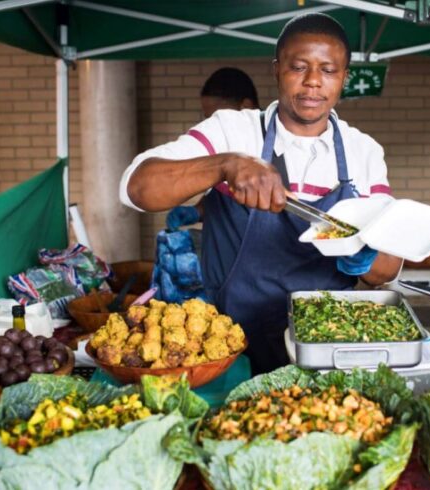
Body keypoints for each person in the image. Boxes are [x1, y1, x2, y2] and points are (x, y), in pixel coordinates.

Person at [120, 13, 402, 374]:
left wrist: (366, 254)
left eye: (328, 70)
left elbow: (388, 269)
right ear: (276, 69)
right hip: (232, 347)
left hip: (326, 349)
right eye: (299, 67)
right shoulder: (233, 131)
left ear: (345, 77)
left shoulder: (363, 151)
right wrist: (224, 165)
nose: (313, 82)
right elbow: (136, 188)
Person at [166, 67, 261, 231]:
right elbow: (221, 198)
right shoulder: (218, 148)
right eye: (208, 117)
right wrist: (197, 211)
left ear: (246, 107)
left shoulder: (272, 146)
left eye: (218, 117)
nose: (211, 124)